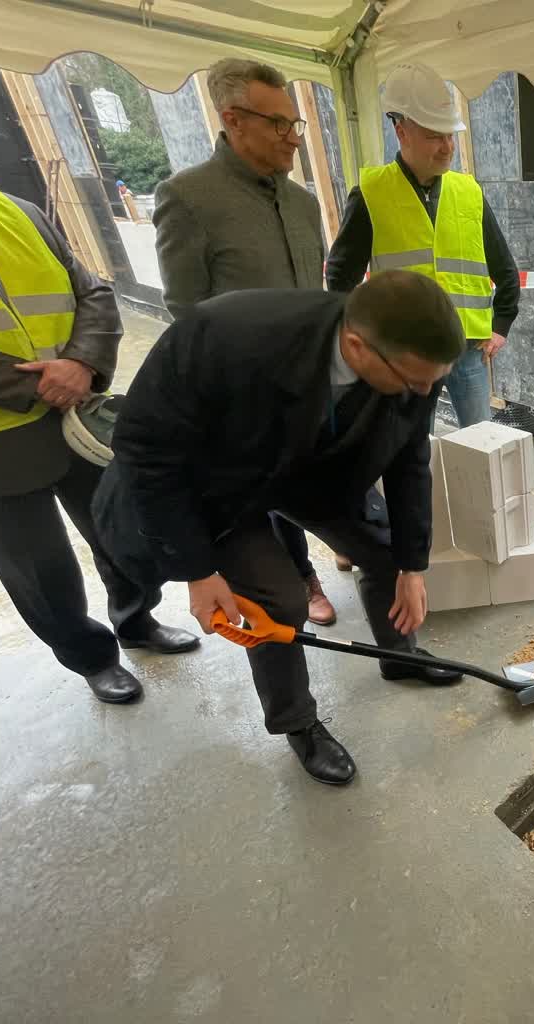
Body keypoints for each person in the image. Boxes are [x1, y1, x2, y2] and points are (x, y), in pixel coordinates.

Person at [92, 272, 467, 785]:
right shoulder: (225, 336)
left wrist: (412, 564)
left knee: (386, 550)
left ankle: (397, 656)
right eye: (413, 383)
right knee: (280, 601)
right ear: (357, 346)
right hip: (218, 484)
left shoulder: (416, 361)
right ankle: (298, 722)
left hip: (316, 469)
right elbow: (145, 453)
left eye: (433, 381)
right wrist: (198, 570)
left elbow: (408, 457)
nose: (424, 393)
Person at [0, 101, 197, 704]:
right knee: (40, 569)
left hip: (78, 417)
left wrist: (81, 363)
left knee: (121, 531)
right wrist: (35, 383)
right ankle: (91, 658)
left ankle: (136, 620)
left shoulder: (17, 211)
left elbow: (94, 292)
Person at [153, 58, 336, 627]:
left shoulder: (304, 203)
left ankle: (337, 552)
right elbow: (186, 312)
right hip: (243, 402)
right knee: (263, 502)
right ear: (232, 119)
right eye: (279, 123)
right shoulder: (187, 198)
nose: (294, 137)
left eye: (295, 123)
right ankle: (302, 578)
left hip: (309, 390)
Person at [326, 62, 520, 431]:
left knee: (482, 441)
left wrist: (501, 324)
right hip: (404, 353)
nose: (447, 147)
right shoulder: (371, 193)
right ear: (401, 131)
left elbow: (504, 267)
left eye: (450, 135)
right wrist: (361, 345)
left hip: (467, 349)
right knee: (411, 444)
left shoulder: (469, 192)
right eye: (434, 136)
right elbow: (341, 276)